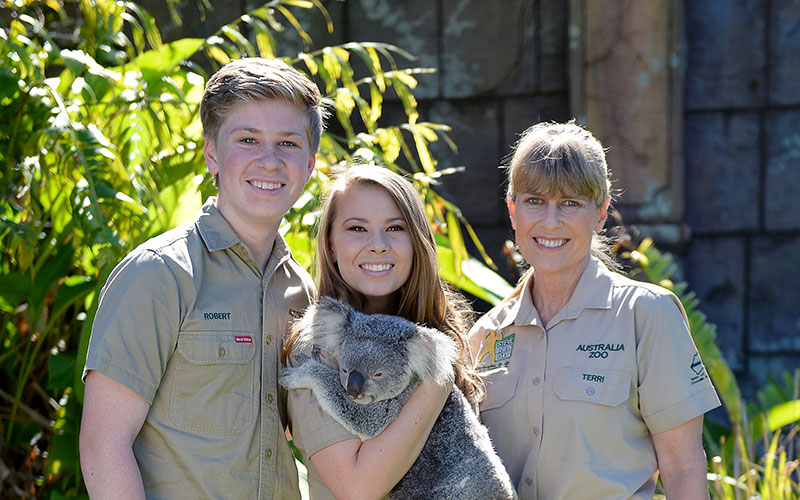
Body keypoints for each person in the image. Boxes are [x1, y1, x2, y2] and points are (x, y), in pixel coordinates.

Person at [79, 58, 326, 499]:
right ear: (212, 153)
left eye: (288, 143)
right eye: (248, 139)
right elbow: (103, 446)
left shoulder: (301, 292)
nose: (269, 161)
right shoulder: (159, 275)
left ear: (309, 164)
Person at [469, 121, 721, 500]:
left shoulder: (646, 316)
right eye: (534, 200)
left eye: (570, 203)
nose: (550, 221)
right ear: (512, 209)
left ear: (601, 213)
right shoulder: (485, 336)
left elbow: (684, 469)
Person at [282, 165, 484, 500]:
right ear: (331, 245)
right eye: (357, 228)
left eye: (395, 228)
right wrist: (436, 380)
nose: (378, 245)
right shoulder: (317, 347)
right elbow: (358, 488)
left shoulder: (439, 332)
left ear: (417, 241)